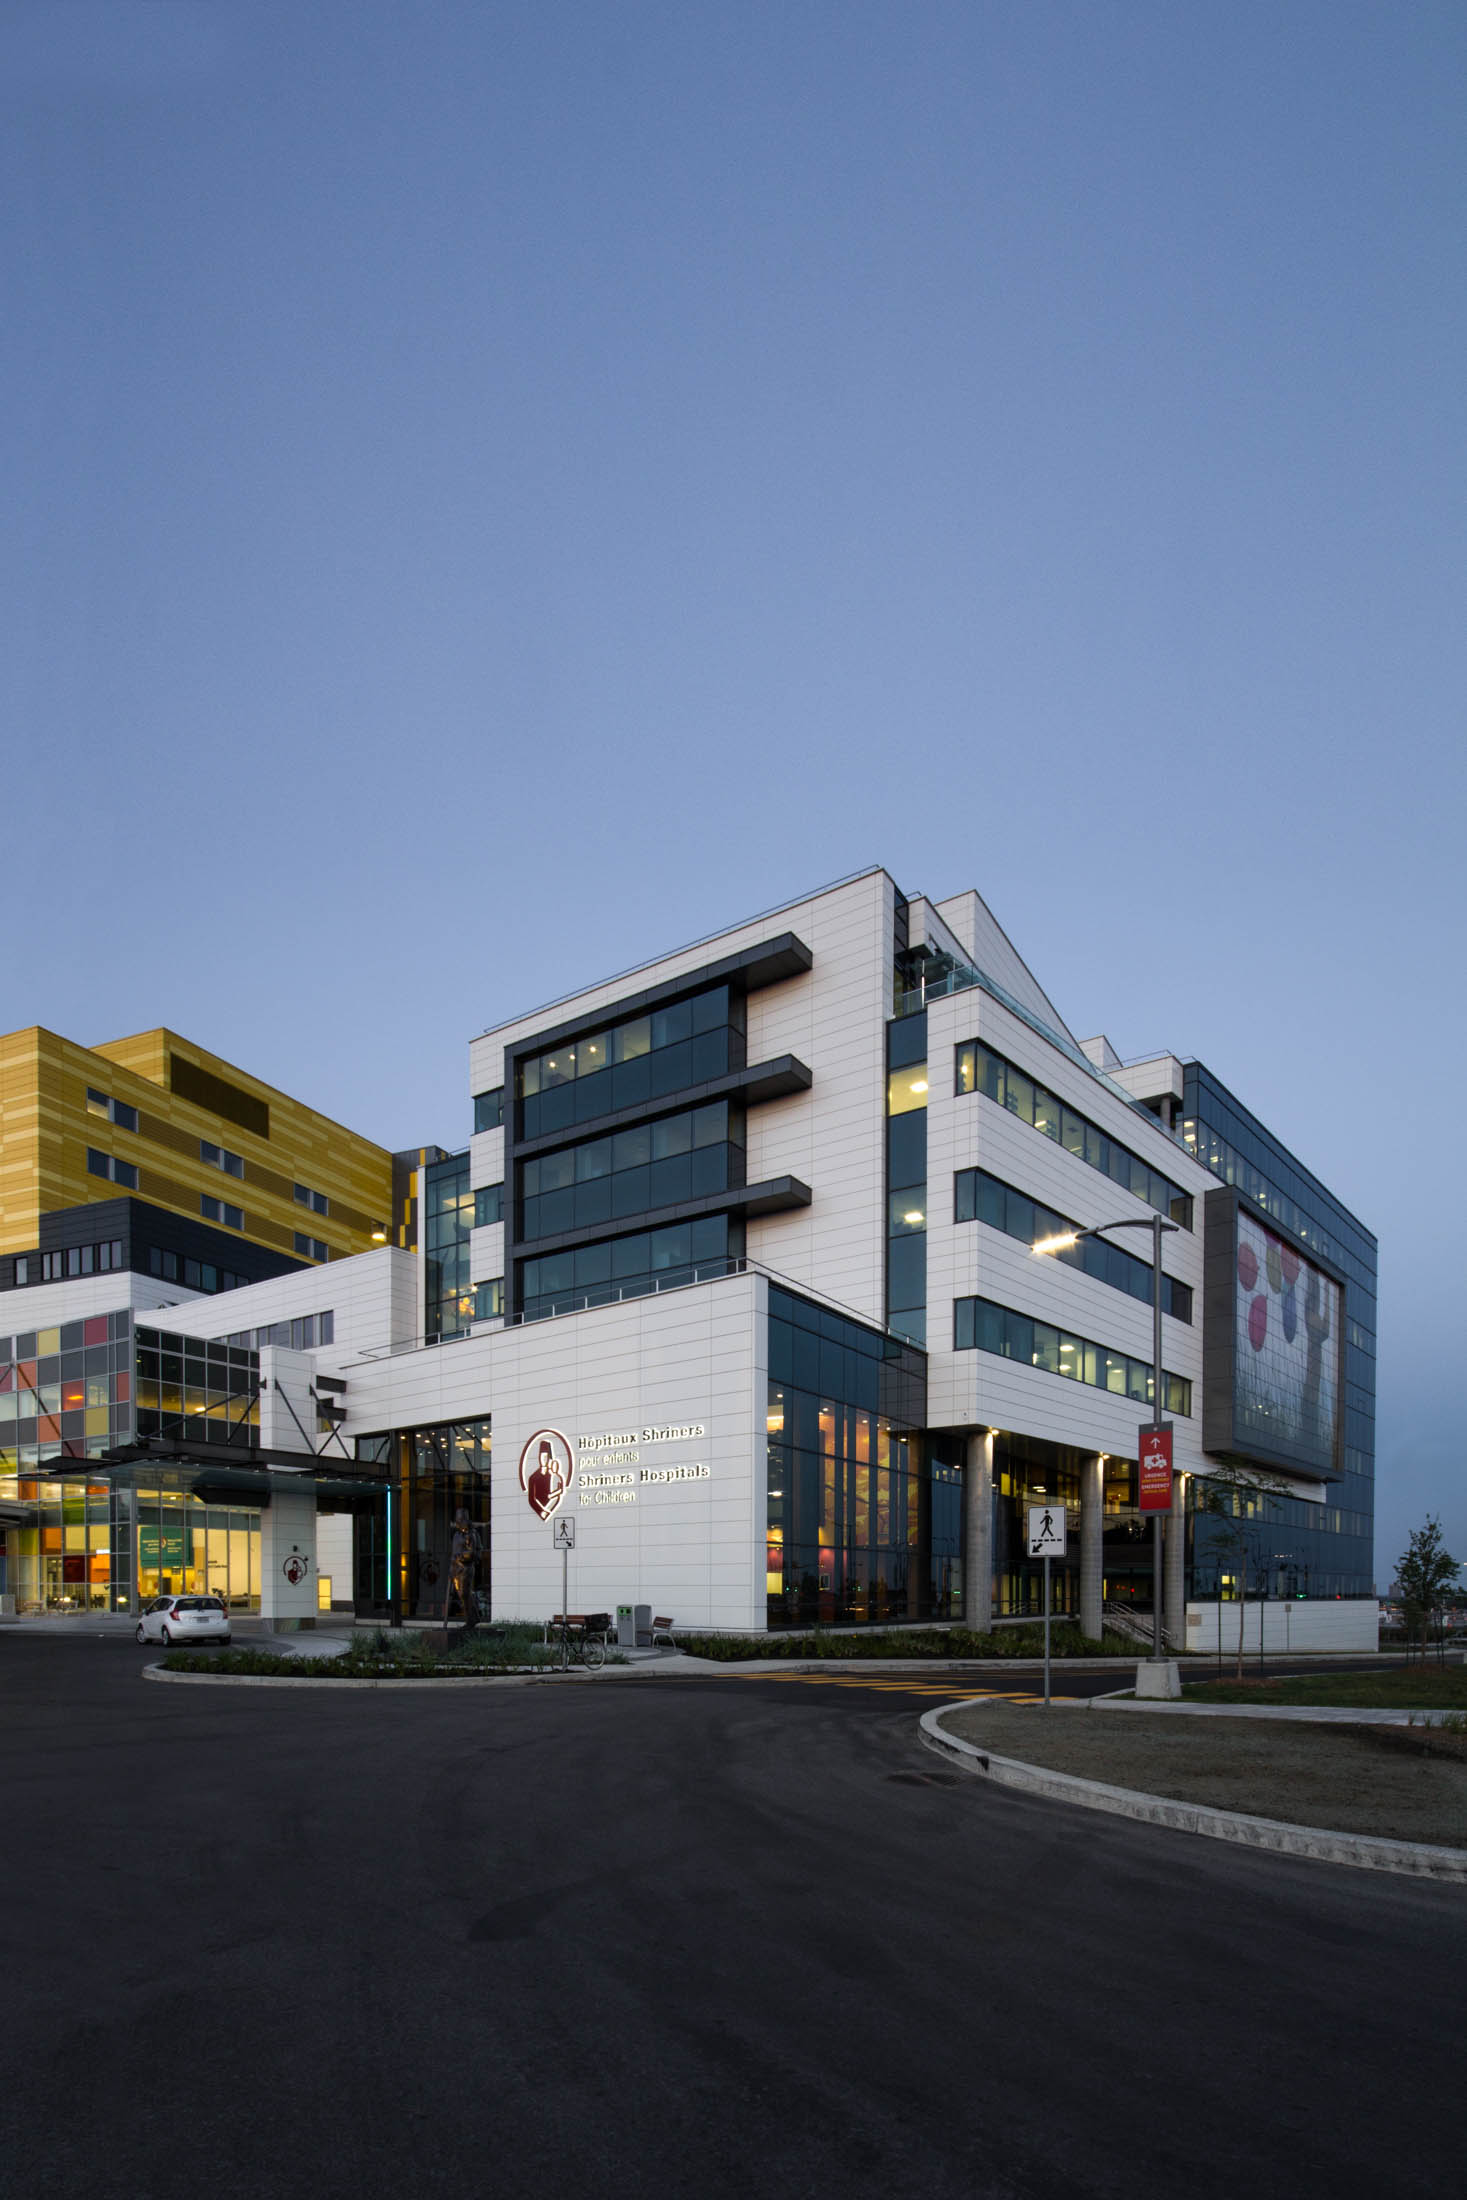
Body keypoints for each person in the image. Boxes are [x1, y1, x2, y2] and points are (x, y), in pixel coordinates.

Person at [526, 1440, 565, 1520]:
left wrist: (549, 1507)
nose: (543, 1459)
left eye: (545, 1457)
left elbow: (559, 1492)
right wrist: (541, 1511)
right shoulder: (533, 1477)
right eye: (541, 1457)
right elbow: (532, 1499)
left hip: (551, 1505)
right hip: (541, 1509)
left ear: (549, 1459)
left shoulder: (554, 1476)